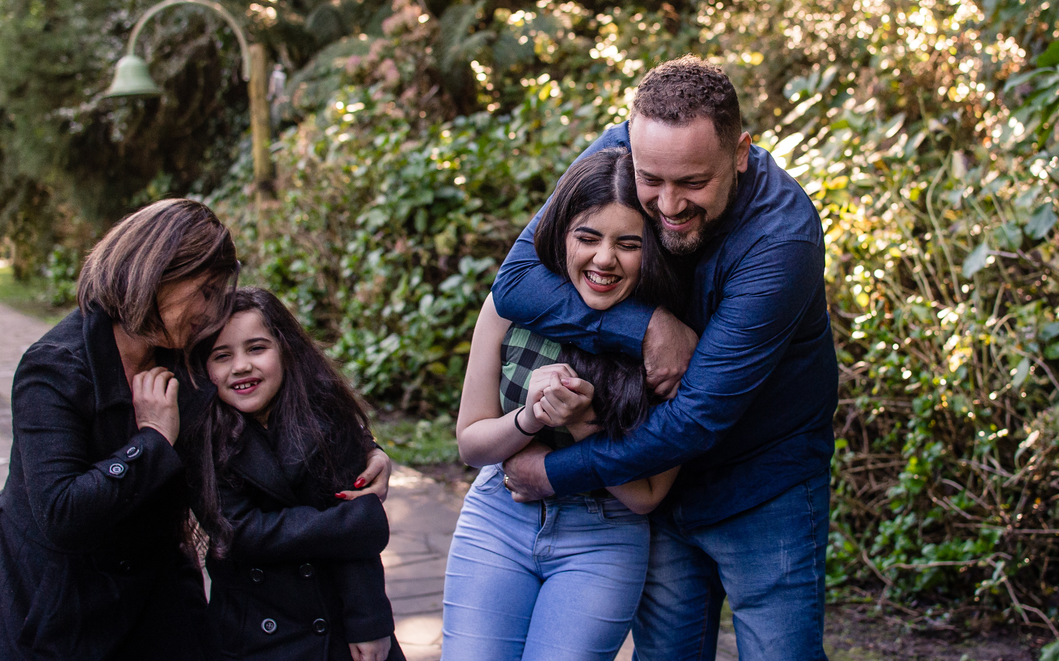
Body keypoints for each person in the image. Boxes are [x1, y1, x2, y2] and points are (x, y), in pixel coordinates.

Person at [492, 56, 839, 661]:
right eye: (651, 180)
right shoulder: (620, 152)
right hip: (654, 482)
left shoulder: (781, 238)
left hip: (765, 484)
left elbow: (697, 417)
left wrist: (553, 473)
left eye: (693, 183)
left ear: (740, 153)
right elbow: (517, 280)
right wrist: (645, 325)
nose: (669, 205)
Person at [0, 198, 392, 661]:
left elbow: (280, 414)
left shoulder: (183, 352)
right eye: (205, 291)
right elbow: (61, 515)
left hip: (160, 594)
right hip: (62, 610)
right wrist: (152, 440)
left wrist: (363, 448)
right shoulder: (55, 368)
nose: (212, 309)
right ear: (157, 275)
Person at [441, 148, 684, 661]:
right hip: (499, 516)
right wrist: (530, 417)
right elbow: (471, 444)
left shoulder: (671, 351)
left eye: (628, 244)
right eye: (587, 238)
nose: (604, 259)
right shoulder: (510, 306)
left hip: (603, 537)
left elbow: (646, 496)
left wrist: (580, 423)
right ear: (560, 236)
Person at [184, 287, 404, 661]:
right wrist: (353, 522)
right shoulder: (200, 435)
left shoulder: (326, 416)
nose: (241, 366)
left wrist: (370, 622)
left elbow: (357, 548)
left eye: (256, 348)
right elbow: (240, 532)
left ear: (285, 349)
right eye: (222, 356)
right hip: (254, 631)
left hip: (336, 619)